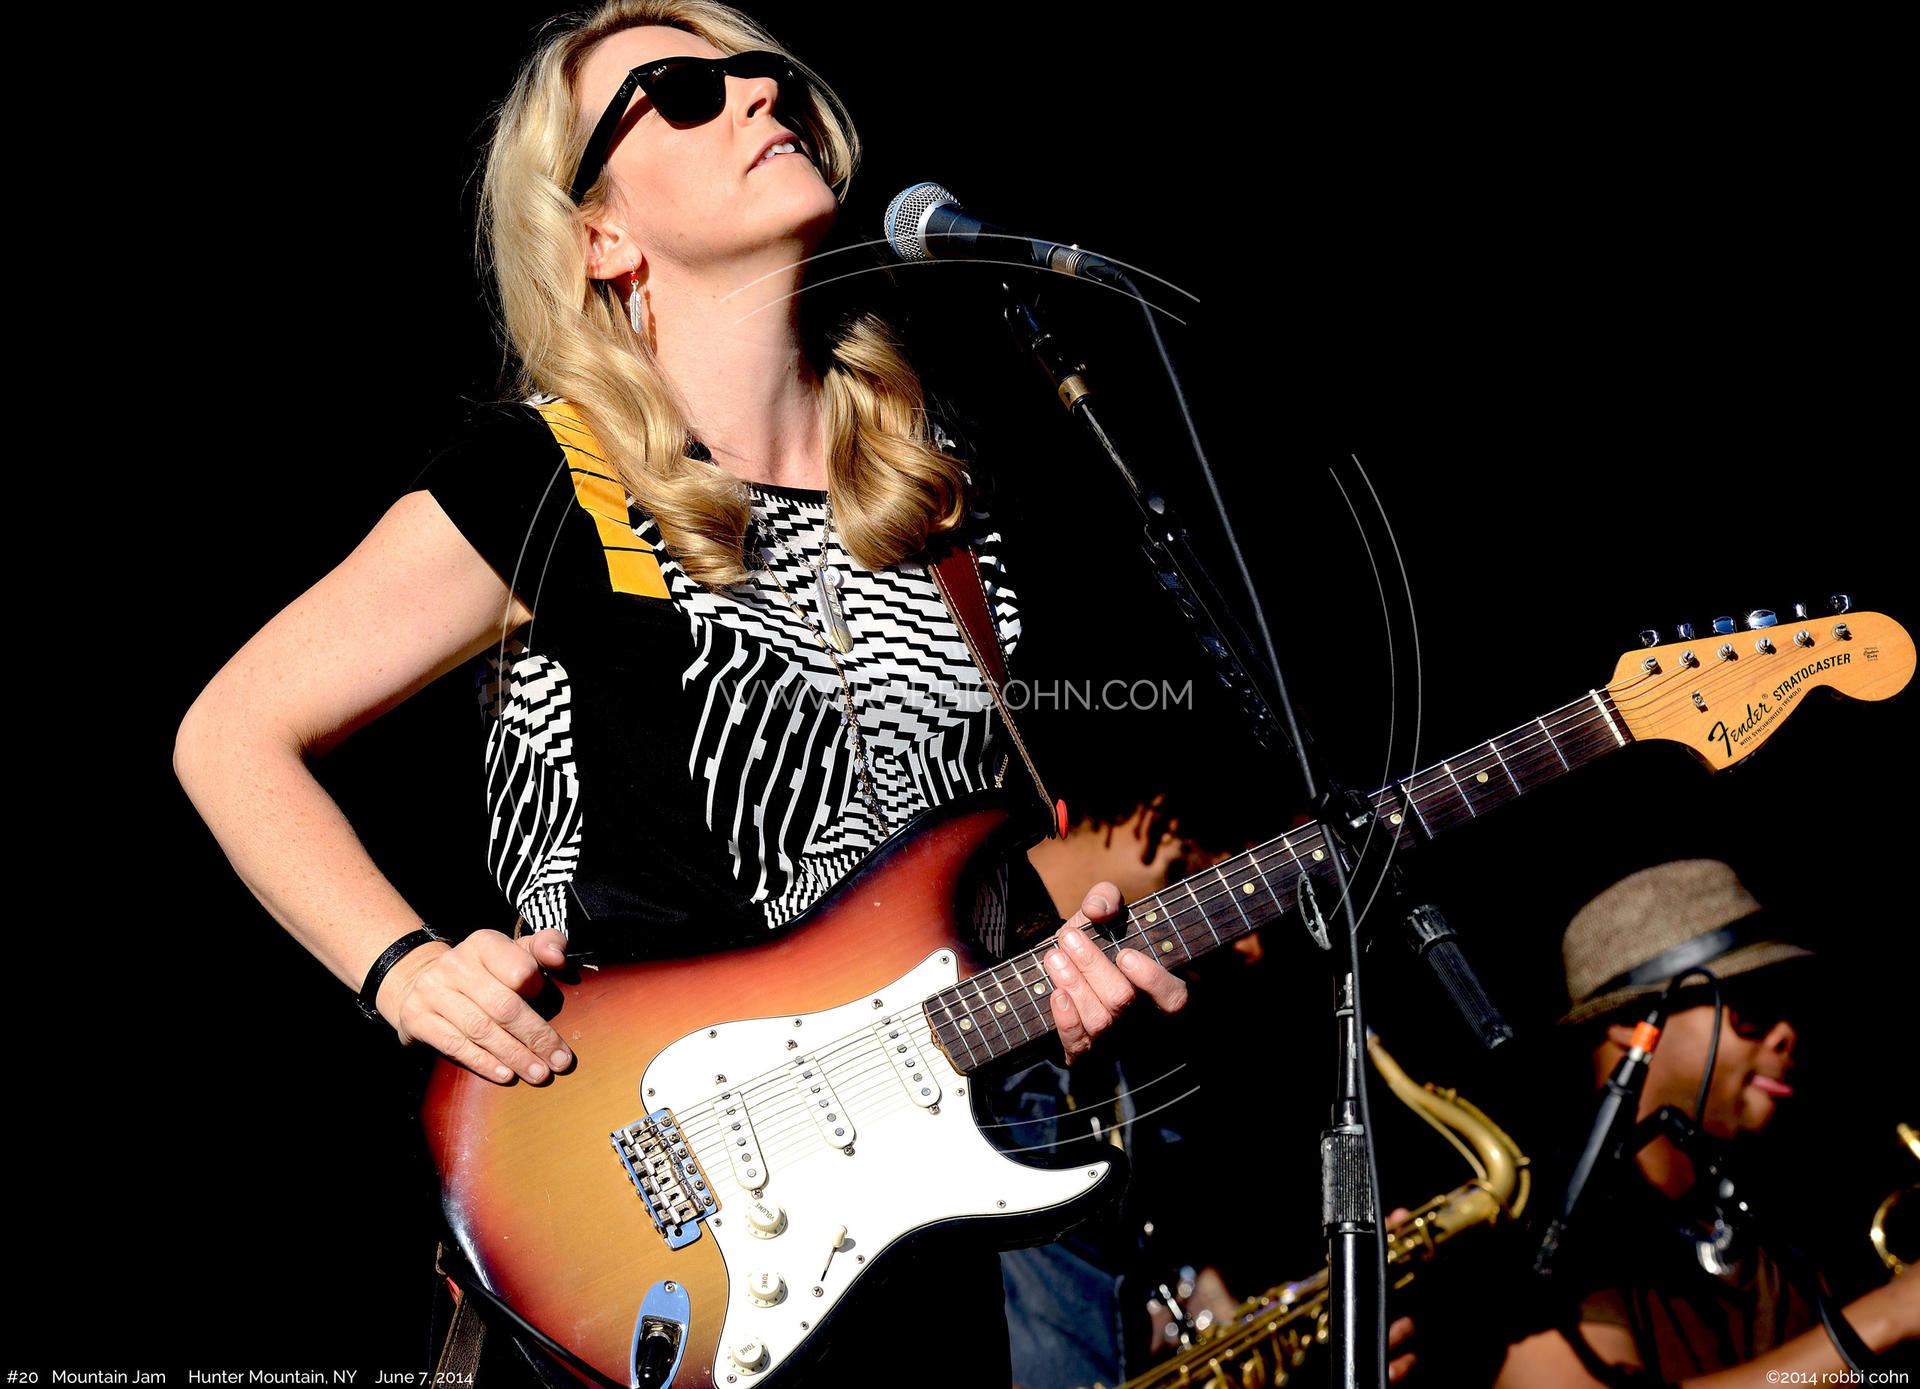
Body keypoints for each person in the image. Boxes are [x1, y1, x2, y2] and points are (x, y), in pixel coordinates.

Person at [172, 2, 1192, 1382]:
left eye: (761, 73)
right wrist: (406, 969)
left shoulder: (936, 505)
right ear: (600, 234)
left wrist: (1051, 987)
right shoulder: (551, 477)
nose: (760, 96)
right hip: (630, 1227)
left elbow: (961, 883)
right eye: (683, 91)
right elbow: (233, 733)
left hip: (904, 1261)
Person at [1495, 859, 1919, 1386]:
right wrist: (1891, 1316)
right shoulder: (1547, 1229)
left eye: (1789, 1004)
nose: (1787, 1033)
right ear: (1630, 1023)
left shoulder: (1771, 1215)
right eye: (1752, 1005)